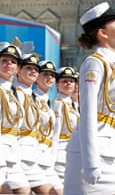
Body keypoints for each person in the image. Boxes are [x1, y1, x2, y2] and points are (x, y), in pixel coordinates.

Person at [64, 2, 115, 195]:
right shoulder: (94, 63)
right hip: (89, 154)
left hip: (109, 153)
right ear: (103, 33)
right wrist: (91, 163)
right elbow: (87, 115)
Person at [15, 53, 55, 194]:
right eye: (28, 68)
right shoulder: (14, 93)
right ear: (18, 70)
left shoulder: (34, 98)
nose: (33, 72)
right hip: (18, 154)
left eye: (36, 69)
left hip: (34, 154)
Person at [0, 42, 31, 194]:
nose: (8, 64)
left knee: (24, 190)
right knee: (5, 190)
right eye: (4, 60)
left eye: (13, 62)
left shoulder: (16, 93)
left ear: (18, 68)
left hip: (13, 151)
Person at [34, 60, 63, 194]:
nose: (49, 78)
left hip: (46, 157)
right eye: (45, 74)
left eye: (52, 75)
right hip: (34, 156)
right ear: (37, 77)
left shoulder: (48, 102)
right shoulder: (32, 98)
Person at [52, 66, 79, 186]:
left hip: (74, 152)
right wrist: (52, 158)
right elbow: (55, 133)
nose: (68, 83)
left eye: (71, 81)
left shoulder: (73, 105)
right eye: (64, 81)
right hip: (62, 154)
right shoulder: (58, 104)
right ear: (57, 84)